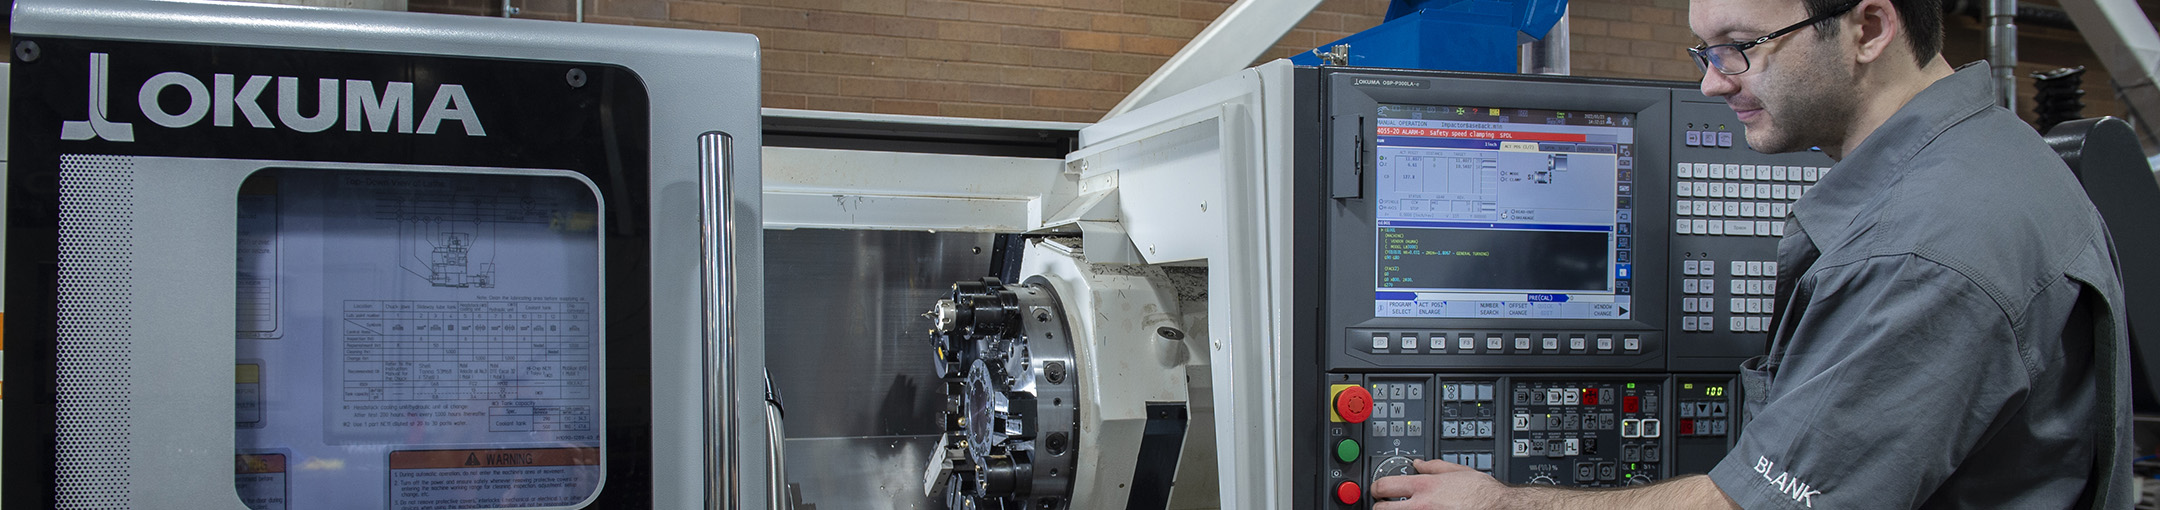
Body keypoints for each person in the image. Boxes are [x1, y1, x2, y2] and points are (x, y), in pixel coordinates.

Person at [1369, 0, 2133, 507]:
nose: (1710, 81)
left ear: (1869, 28)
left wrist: (1500, 502)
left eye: (1739, 48)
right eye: (1704, 49)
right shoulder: (1997, 157)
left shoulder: (1921, 249)